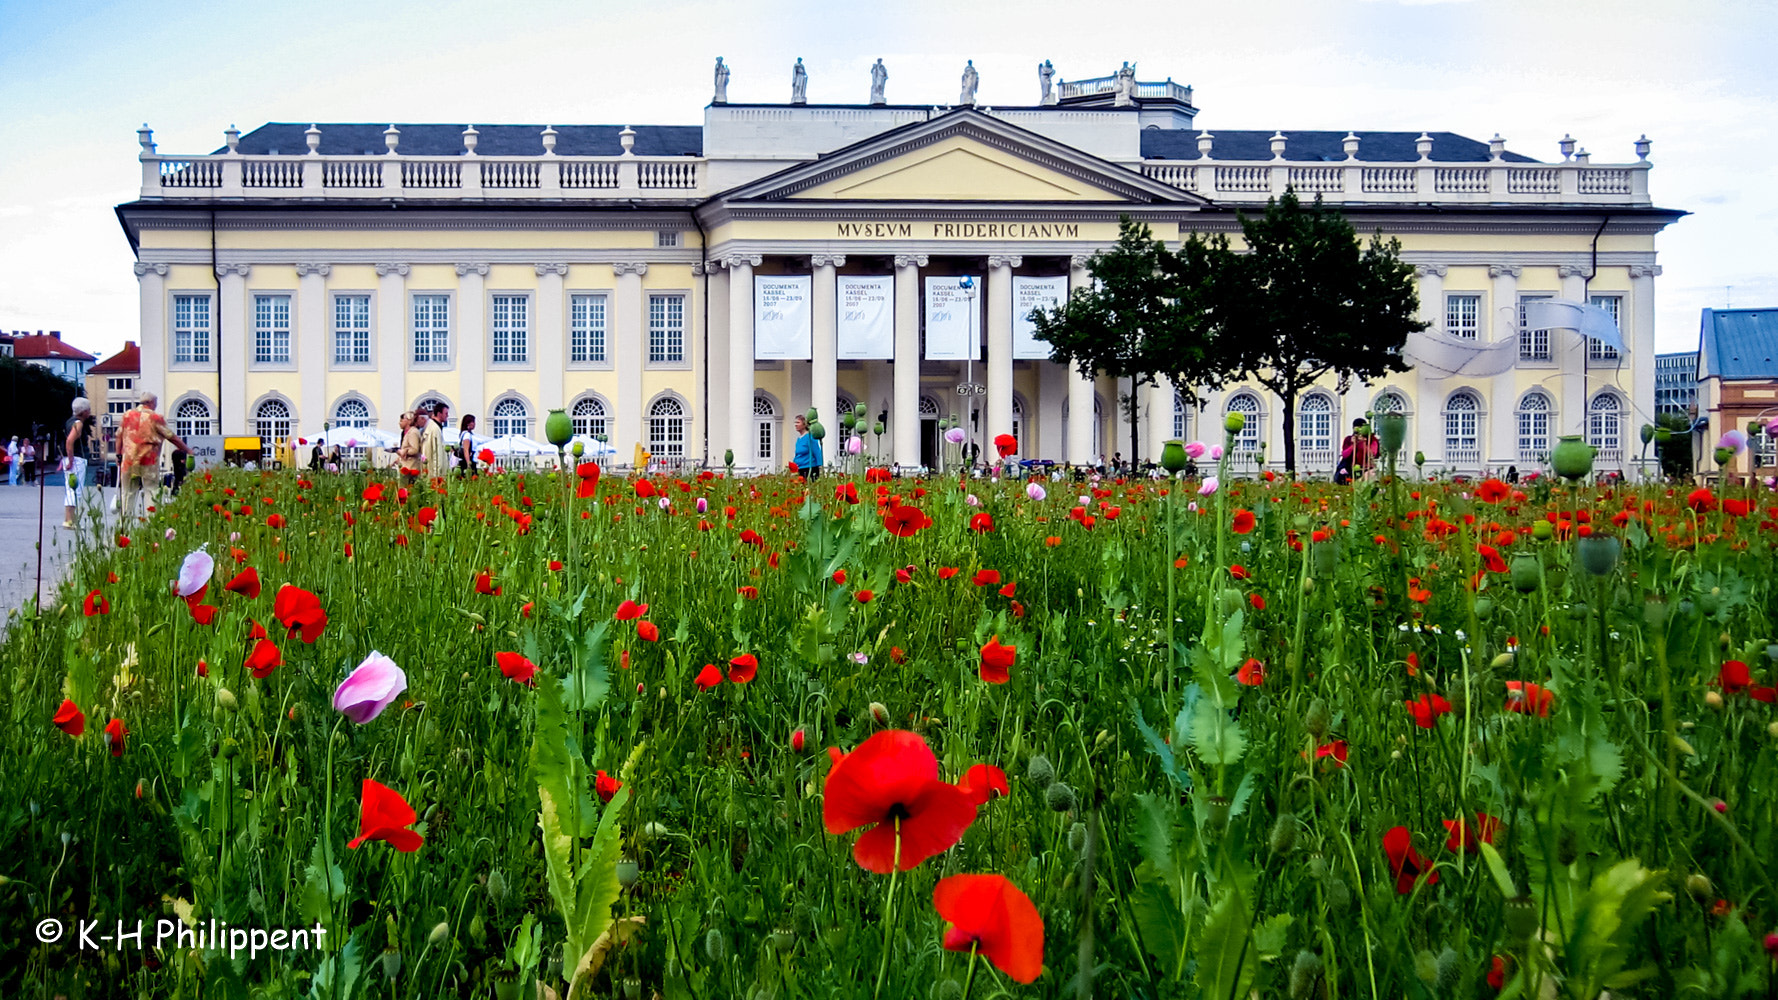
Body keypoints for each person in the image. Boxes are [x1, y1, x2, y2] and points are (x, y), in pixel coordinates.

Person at [117, 392, 192, 522]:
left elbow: (118, 436)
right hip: (148, 460)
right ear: (151, 403)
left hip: (128, 461)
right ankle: (151, 525)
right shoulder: (156, 417)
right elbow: (171, 436)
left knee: (128, 493)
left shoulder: (127, 415)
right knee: (151, 491)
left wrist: (119, 455)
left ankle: (124, 525)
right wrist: (187, 449)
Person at [62, 398, 98, 528]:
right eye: (88, 410)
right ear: (83, 411)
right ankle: (71, 520)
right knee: (75, 489)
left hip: (71, 457)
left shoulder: (69, 422)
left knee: (69, 489)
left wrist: (66, 458)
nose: (89, 412)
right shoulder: (78, 423)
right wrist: (71, 459)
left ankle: (68, 519)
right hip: (77, 458)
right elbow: (70, 441)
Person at [1336, 419, 1379, 484]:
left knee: (1370, 475)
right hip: (1351, 468)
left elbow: (1373, 454)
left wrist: (1363, 443)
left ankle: (1358, 484)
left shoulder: (1372, 440)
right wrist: (1353, 445)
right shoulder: (1348, 439)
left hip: (1366, 468)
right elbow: (1344, 455)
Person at [397, 409, 423, 486]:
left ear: (409, 421)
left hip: (411, 468)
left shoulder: (413, 432)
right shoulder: (406, 433)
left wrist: (404, 451)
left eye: (403, 419)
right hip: (406, 467)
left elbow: (415, 449)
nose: (400, 422)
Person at [793, 413, 823, 479]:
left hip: (809, 468)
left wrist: (820, 467)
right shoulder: (799, 439)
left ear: (804, 424)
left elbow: (817, 452)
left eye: (798, 422)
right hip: (800, 468)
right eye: (795, 423)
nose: (796, 425)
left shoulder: (810, 437)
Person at [423, 403, 448, 478]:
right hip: (435, 473)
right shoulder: (435, 429)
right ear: (439, 414)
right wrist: (437, 474)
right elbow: (437, 453)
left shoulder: (433, 427)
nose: (447, 416)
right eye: (446, 413)